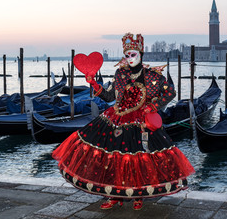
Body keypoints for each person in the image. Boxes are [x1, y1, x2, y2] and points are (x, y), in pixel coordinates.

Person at [52, 33, 195, 210]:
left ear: (141, 54)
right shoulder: (120, 73)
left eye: (133, 54)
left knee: (138, 159)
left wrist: (152, 107)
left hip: (140, 121)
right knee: (111, 159)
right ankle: (114, 196)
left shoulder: (152, 76)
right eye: (127, 55)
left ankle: (138, 196)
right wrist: (94, 84)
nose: (129, 58)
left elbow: (170, 92)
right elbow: (109, 95)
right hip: (115, 118)